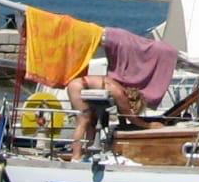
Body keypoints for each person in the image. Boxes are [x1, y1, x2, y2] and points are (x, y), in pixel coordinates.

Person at [65, 26, 178, 159]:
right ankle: (76, 156)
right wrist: (149, 125)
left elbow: (125, 115)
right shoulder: (120, 94)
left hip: (79, 85)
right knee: (83, 121)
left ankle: (88, 153)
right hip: (77, 86)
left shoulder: (120, 89)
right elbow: (130, 116)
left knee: (91, 121)